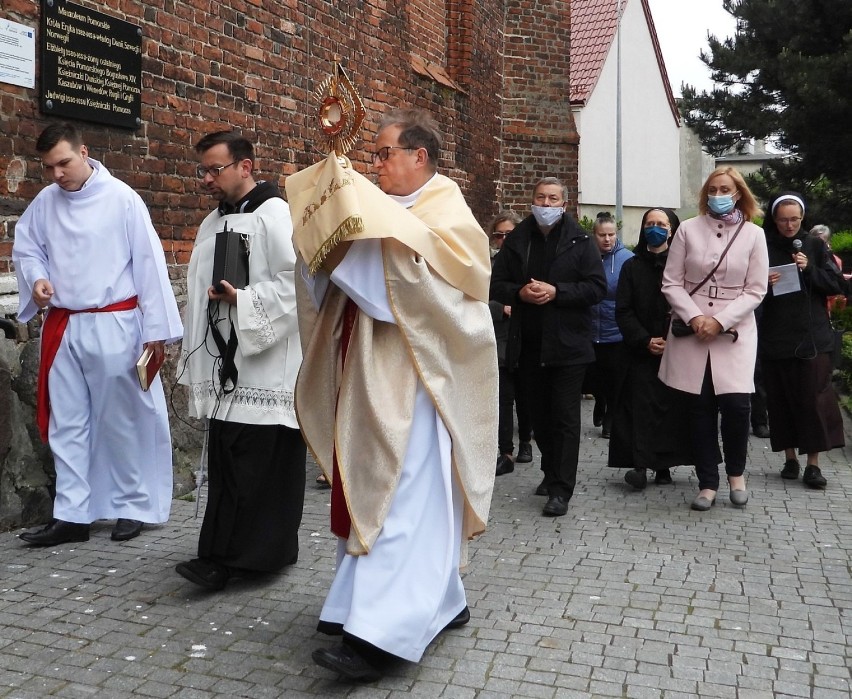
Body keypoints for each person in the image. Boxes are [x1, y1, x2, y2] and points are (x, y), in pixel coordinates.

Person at [285, 108, 497, 681]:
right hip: (368, 369)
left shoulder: (447, 213)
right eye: (374, 156)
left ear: (418, 156)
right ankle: (429, 601)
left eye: (383, 154)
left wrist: (350, 241)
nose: (375, 165)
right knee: (376, 490)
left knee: (400, 496)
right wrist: (323, 238)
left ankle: (382, 637)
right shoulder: (391, 209)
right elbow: (334, 286)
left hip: (419, 384)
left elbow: (415, 297)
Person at [13, 122, 183, 546]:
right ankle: (73, 513)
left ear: (84, 152)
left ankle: (132, 505)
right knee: (67, 423)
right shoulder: (45, 202)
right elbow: (28, 246)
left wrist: (155, 332)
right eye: (48, 167)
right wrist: (36, 279)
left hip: (114, 324)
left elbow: (148, 264)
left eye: (63, 163)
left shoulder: (122, 199)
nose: (56, 174)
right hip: (66, 325)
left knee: (120, 419)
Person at [174, 130, 306, 590]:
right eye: (203, 170)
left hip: (265, 363)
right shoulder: (215, 220)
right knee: (230, 458)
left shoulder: (275, 214)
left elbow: (297, 285)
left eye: (215, 169)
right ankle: (218, 553)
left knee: (259, 462)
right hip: (226, 360)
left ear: (245, 167)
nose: (206, 179)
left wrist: (244, 301)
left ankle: (253, 558)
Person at [491, 178, 607, 517]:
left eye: (553, 198)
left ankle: (561, 489)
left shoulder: (581, 240)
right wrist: (519, 294)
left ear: (564, 203)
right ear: (532, 200)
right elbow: (497, 284)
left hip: (569, 346)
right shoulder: (518, 239)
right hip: (529, 344)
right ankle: (549, 472)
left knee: (566, 419)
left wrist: (558, 292)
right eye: (540, 196)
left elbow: (596, 288)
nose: (546, 202)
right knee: (540, 416)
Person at [659, 166, 768, 511]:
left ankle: (736, 473)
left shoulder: (754, 235)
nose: (718, 194)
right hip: (693, 330)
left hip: (734, 332)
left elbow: (756, 289)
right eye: (713, 188)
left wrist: (720, 321)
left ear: (739, 193)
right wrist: (695, 318)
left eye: (726, 189)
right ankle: (707, 481)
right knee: (700, 407)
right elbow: (671, 281)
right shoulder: (688, 230)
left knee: (737, 406)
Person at [609, 208, 704, 488]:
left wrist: (673, 339)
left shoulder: (684, 266)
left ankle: (665, 465)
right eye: (649, 223)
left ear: (672, 230)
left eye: (661, 224)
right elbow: (623, 310)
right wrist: (644, 339)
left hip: (677, 348)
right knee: (639, 409)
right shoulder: (631, 266)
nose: (655, 228)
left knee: (673, 411)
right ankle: (640, 464)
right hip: (640, 351)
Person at [758, 193, 846, 488]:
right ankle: (790, 458)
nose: (789, 225)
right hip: (776, 335)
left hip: (813, 336)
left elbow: (837, 285)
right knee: (781, 400)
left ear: (802, 218)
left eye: (794, 219)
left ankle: (813, 465)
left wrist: (809, 269)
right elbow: (748, 292)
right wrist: (763, 286)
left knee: (814, 400)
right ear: (774, 219)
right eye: (783, 219)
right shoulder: (762, 246)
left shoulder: (815, 245)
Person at [488, 211, 534, 476]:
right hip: (498, 337)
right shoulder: (487, 263)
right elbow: (477, 296)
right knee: (503, 397)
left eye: (509, 234)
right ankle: (505, 451)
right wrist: (500, 308)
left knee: (525, 394)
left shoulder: (526, 260)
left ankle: (525, 441)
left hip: (524, 335)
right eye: (499, 234)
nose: (503, 239)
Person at [588, 212, 633, 439]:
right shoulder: (587, 256)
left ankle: (610, 419)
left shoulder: (627, 259)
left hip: (615, 330)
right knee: (596, 377)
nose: (607, 239)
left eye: (611, 234)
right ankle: (600, 401)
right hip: (590, 328)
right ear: (594, 235)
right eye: (602, 235)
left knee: (615, 379)